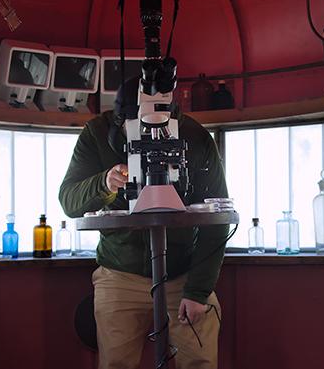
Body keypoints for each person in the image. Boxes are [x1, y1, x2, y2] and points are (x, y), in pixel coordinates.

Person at [58, 78, 229, 369]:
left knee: (199, 361)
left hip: (184, 273)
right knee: (116, 364)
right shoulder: (96, 133)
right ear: (120, 121)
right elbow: (69, 200)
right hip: (120, 272)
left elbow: (217, 218)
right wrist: (104, 183)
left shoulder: (197, 137)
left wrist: (198, 291)